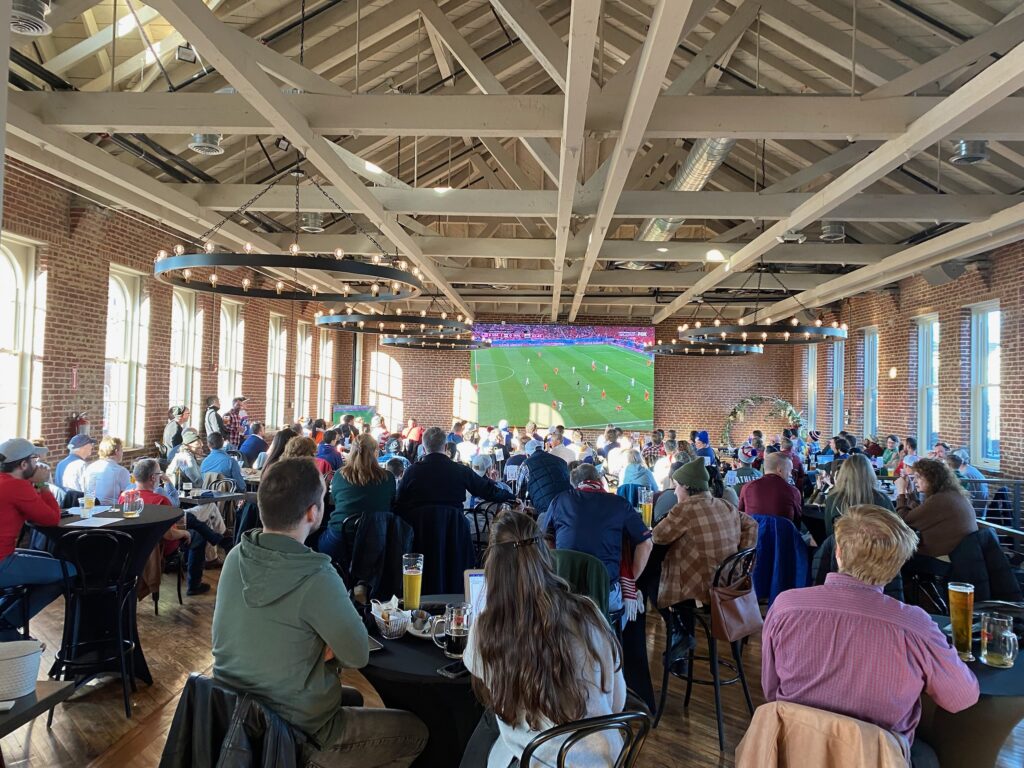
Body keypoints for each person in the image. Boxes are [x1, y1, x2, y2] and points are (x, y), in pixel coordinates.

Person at [212, 458, 427, 764]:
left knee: (351, 697)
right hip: (294, 731)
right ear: (313, 512)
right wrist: (322, 646)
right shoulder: (317, 576)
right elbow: (357, 654)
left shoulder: (235, 557)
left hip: (234, 717)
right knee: (414, 732)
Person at [761, 505, 978, 766]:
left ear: (839, 553)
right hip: (875, 758)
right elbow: (961, 698)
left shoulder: (785, 607)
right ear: (897, 565)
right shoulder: (915, 625)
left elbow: (771, 691)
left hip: (793, 751)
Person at [460, 511, 626, 768]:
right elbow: (617, 700)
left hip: (539, 762)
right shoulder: (588, 613)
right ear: (545, 555)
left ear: (492, 565)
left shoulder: (486, 629)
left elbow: (496, 699)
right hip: (603, 759)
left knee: (484, 732)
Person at [651, 458, 758, 643]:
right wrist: (741, 559)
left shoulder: (684, 509)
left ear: (686, 486)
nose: (675, 491)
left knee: (649, 577)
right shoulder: (725, 505)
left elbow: (658, 537)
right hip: (727, 584)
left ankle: (679, 628)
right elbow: (752, 524)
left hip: (699, 591)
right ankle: (682, 631)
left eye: (676, 486)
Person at [544, 463, 652, 616]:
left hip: (563, 595)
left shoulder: (559, 500)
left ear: (574, 484)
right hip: (605, 594)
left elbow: (546, 539)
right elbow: (646, 543)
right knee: (632, 604)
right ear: (600, 480)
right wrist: (631, 579)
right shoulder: (619, 503)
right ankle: (612, 637)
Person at [122, 458, 231, 596]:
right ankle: (194, 585)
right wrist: (186, 534)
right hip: (161, 547)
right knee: (197, 536)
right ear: (152, 478)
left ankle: (219, 541)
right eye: (158, 473)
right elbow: (169, 534)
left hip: (134, 546)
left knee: (193, 522)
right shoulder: (161, 500)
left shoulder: (124, 497)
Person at [0, 438, 70, 636]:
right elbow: (51, 518)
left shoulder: (9, 483)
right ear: (23, 464)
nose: (38, 463)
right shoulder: (16, 486)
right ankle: (7, 624)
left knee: (49, 560)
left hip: (5, 554)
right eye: (34, 458)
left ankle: (5, 616)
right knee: (68, 572)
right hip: (2, 561)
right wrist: (43, 484)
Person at [397, 427, 513, 513]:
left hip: (421, 536)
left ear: (423, 448)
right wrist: (512, 497)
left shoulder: (412, 472)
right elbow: (489, 491)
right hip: (454, 535)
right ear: (446, 447)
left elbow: (400, 502)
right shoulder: (461, 470)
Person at [322, 433, 396, 552]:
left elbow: (335, 500)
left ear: (352, 451)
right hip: (376, 538)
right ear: (376, 452)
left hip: (340, 536)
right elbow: (391, 502)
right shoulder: (388, 477)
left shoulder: (340, 475)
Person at [895, 458, 977, 558]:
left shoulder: (940, 500)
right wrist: (911, 493)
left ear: (932, 479)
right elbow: (921, 512)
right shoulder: (950, 494)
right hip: (962, 553)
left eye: (918, 477)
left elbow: (902, 520)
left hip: (947, 556)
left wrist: (901, 492)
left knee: (898, 553)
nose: (915, 480)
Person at [823, 453, 895, 538]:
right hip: (876, 548)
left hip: (843, 547)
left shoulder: (833, 499)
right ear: (870, 474)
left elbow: (829, 533)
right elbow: (894, 529)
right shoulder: (882, 499)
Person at [737, 453, 802, 523]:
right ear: (779, 470)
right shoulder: (793, 491)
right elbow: (797, 520)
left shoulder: (747, 487)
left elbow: (741, 515)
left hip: (754, 532)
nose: (790, 474)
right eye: (789, 470)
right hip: (782, 533)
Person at [516, 439, 571, 521]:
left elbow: (519, 496)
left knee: (544, 532)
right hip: (567, 506)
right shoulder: (561, 461)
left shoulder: (525, 465)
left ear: (527, 454)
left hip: (546, 511)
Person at [83, 436, 131, 505]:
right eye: (122, 450)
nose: (122, 453)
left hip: (91, 508)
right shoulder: (121, 471)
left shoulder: (90, 467)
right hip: (111, 510)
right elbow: (127, 495)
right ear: (116, 451)